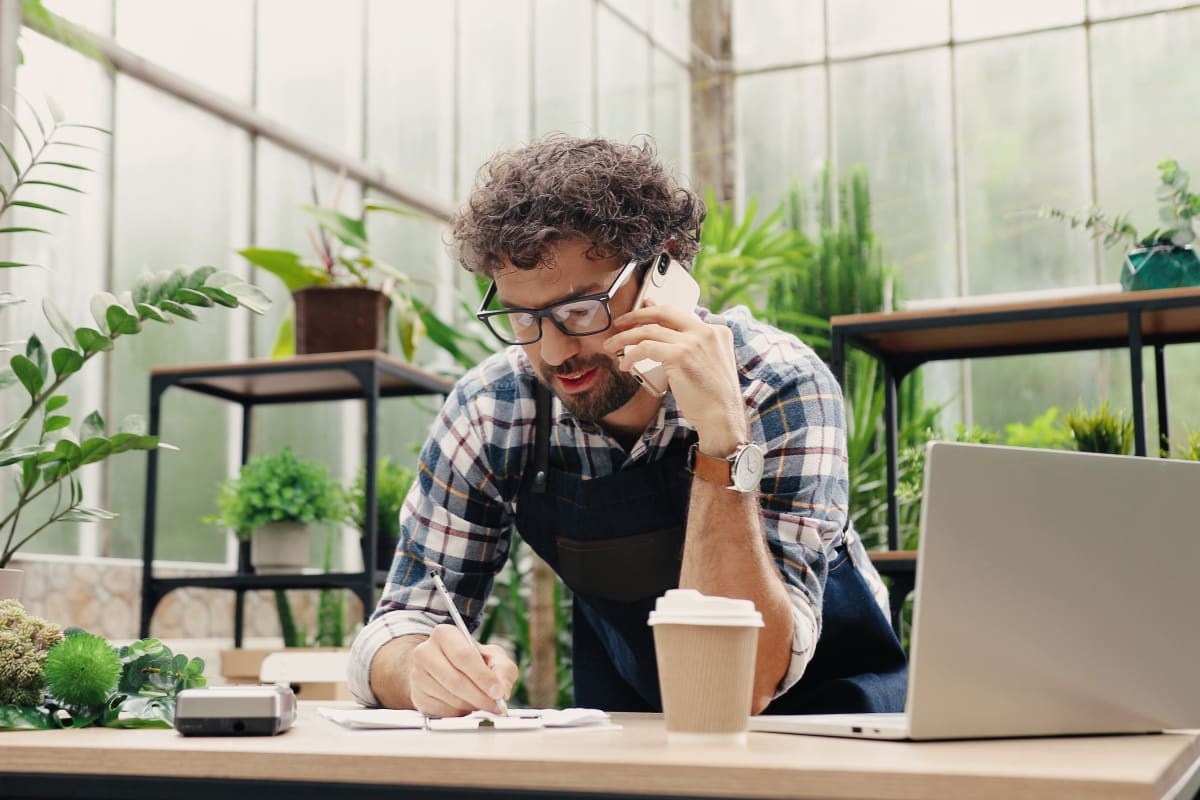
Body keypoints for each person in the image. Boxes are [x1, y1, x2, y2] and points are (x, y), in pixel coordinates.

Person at [348, 135, 907, 717]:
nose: (557, 350)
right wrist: (421, 671)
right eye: (523, 316)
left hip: (834, 728)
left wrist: (722, 441)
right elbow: (402, 622)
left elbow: (741, 686)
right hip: (637, 726)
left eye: (582, 309)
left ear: (663, 265)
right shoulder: (495, 409)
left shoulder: (777, 384)